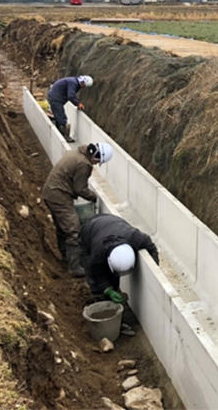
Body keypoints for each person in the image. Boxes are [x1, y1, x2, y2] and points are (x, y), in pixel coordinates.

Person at [41, 142, 113, 276]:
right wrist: (93, 196)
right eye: (98, 162)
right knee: (74, 230)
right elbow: (79, 188)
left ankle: (65, 256)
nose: (96, 164)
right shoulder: (84, 164)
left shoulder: (75, 153)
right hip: (59, 196)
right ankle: (74, 267)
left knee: (63, 227)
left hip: (50, 193)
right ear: (96, 157)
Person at [79, 213, 159, 303]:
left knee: (112, 276)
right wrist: (107, 290)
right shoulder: (97, 253)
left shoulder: (136, 238)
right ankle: (100, 298)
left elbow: (152, 248)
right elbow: (96, 272)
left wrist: (154, 271)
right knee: (91, 269)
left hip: (114, 222)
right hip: (89, 229)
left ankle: (114, 290)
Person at [47, 75, 93, 142]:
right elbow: (71, 96)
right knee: (62, 118)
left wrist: (77, 103)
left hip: (56, 96)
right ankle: (64, 137)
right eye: (85, 86)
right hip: (56, 98)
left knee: (59, 116)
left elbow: (71, 95)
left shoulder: (74, 82)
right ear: (83, 82)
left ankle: (59, 133)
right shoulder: (73, 83)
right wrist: (78, 103)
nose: (84, 88)